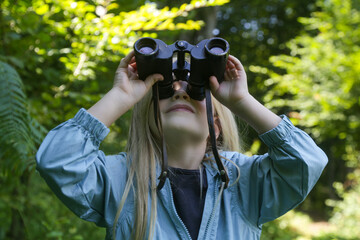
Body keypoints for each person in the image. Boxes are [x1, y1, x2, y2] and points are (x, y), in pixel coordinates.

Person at [36, 50, 328, 240]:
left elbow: (307, 161)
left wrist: (242, 102)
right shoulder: (122, 180)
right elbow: (58, 161)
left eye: (195, 89)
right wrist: (121, 95)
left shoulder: (243, 182)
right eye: (167, 89)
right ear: (150, 115)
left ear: (215, 124)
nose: (179, 90)